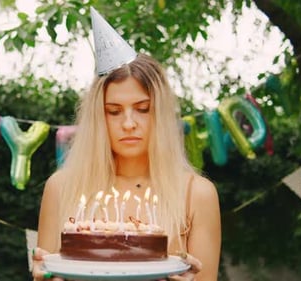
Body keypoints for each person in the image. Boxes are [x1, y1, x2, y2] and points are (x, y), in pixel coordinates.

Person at [31, 7, 221, 281]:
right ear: (99, 117)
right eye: (114, 111)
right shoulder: (62, 188)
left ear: (160, 114)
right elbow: (47, 271)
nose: (129, 123)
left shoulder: (197, 195)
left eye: (143, 109)